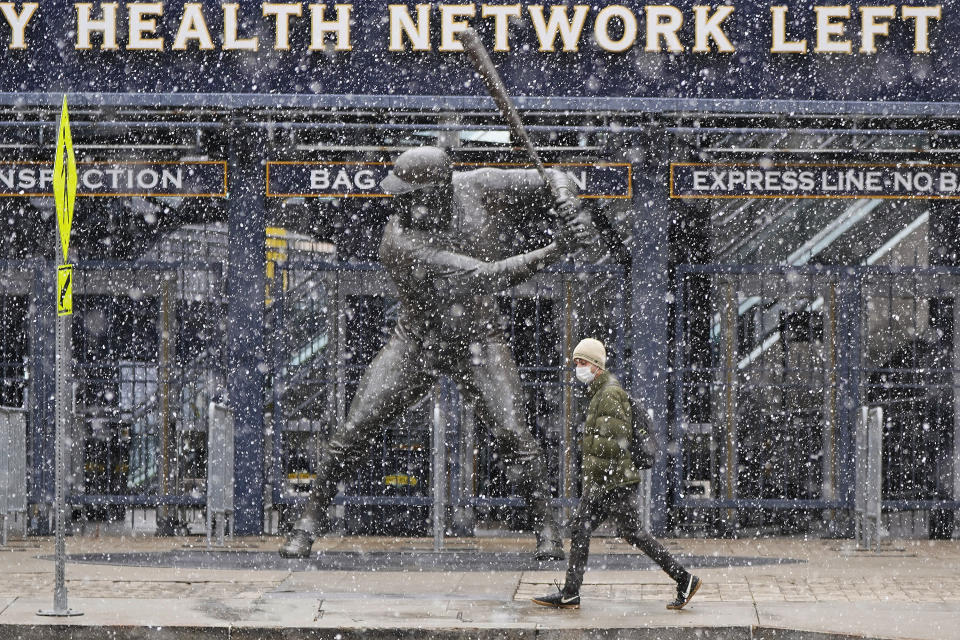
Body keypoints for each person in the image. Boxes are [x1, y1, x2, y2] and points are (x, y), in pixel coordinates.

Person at [280, 146, 591, 560]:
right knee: (354, 428)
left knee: (515, 432)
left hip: (479, 336)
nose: (398, 201)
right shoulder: (399, 240)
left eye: (409, 194)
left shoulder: (478, 186)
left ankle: (548, 530)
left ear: (437, 191)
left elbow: (555, 174)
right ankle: (308, 523)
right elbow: (485, 278)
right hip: (417, 340)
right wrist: (557, 248)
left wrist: (568, 204)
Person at [532, 338, 702, 610]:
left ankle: (684, 578)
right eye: (576, 362)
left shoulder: (609, 393)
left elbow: (614, 441)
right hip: (608, 480)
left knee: (630, 533)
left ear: (597, 365)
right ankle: (571, 593)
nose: (579, 367)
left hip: (613, 482)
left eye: (583, 362)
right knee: (587, 529)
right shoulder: (600, 392)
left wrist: (592, 467)